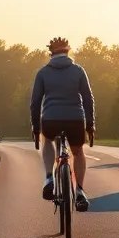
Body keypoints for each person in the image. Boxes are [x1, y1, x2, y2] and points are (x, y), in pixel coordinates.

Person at [29, 37, 95, 211]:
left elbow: (35, 102)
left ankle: (49, 178)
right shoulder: (79, 71)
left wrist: (36, 128)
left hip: (51, 118)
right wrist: (90, 125)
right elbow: (88, 99)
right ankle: (80, 191)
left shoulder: (42, 73)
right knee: (78, 152)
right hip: (75, 119)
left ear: (51, 53)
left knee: (47, 140)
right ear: (68, 52)